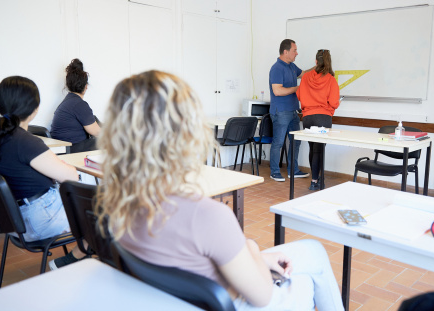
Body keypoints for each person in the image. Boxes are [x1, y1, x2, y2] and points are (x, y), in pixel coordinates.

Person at [96, 70, 344, 310]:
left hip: (176, 300)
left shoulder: (115, 205)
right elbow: (262, 296)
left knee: (302, 254)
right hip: (232, 303)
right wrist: (254, 250)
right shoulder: (207, 216)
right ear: (186, 135)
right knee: (314, 257)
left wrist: (254, 254)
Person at [0, 76, 87, 270]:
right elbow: (71, 177)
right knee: (104, 212)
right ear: (34, 108)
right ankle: (69, 261)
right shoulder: (25, 142)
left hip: (13, 223)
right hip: (39, 220)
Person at [296, 49, 340, 190]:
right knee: (320, 149)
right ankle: (317, 180)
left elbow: (299, 95)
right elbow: (334, 102)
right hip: (323, 118)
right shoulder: (331, 79)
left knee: (312, 148)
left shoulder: (306, 77)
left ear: (316, 62)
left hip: (308, 117)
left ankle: (314, 180)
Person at [269, 39, 310, 182]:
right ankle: (274, 172)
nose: (297, 53)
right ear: (285, 52)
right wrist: (297, 88)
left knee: (295, 141)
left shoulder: (292, 66)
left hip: (293, 111)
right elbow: (277, 91)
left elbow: (303, 74)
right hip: (281, 112)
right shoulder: (277, 68)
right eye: (294, 50)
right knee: (278, 142)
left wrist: (318, 68)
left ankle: (293, 170)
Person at [50, 58, 100, 152]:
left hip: (63, 148)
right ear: (86, 87)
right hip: (72, 148)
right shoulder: (79, 104)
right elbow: (96, 132)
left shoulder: (67, 101)